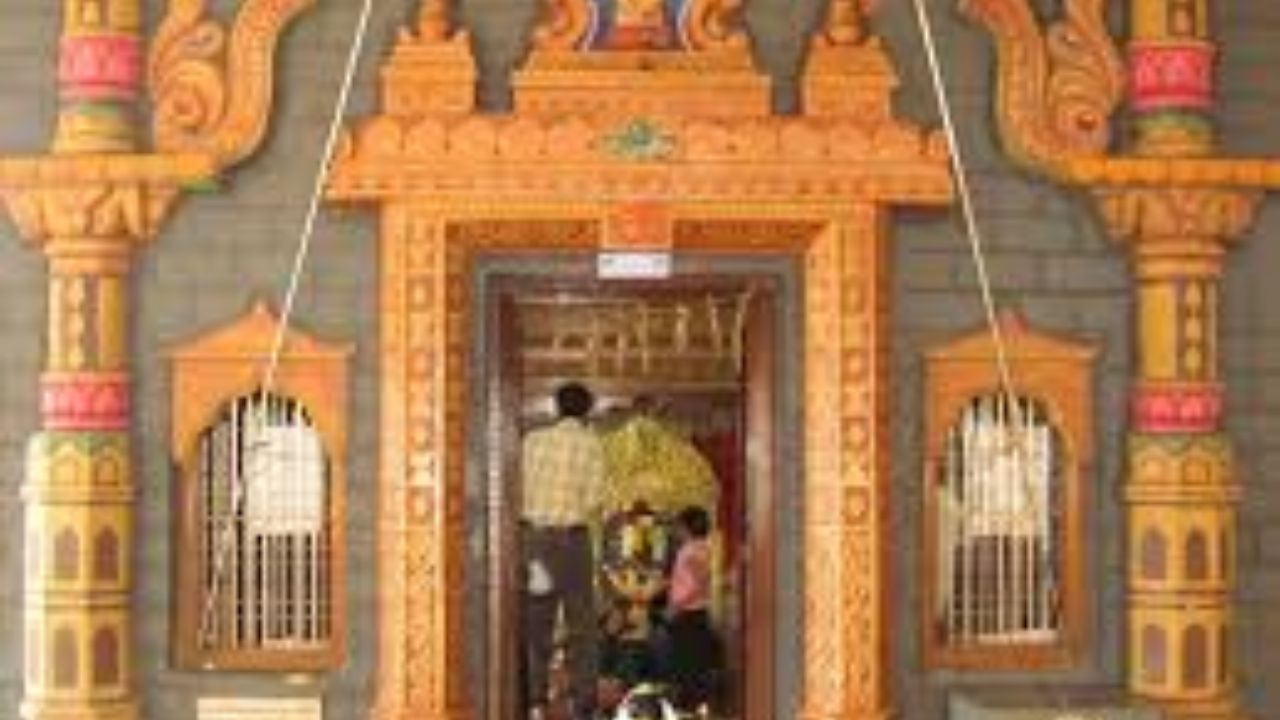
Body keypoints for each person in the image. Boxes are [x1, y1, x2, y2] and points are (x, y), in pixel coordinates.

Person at [521, 382, 606, 720]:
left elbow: (517, 490)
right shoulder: (591, 445)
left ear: (556, 407)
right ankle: (582, 704)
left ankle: (535, 701)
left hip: (535, 544)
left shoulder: (532, 441)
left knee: (536, 623)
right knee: (581, 625)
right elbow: (595, 500)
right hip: (573, 543)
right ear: (587, 410)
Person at [664, 505, 721, 713]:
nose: (677, 530)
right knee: (695, 663)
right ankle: (695, 705)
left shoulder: (688, 551)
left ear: (687, 527)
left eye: (679, 525)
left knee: (685, 664)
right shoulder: (704, 548)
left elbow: (695, 583)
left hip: (687, 613)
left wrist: (675, 606)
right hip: (698, 612)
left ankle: (687, 706)